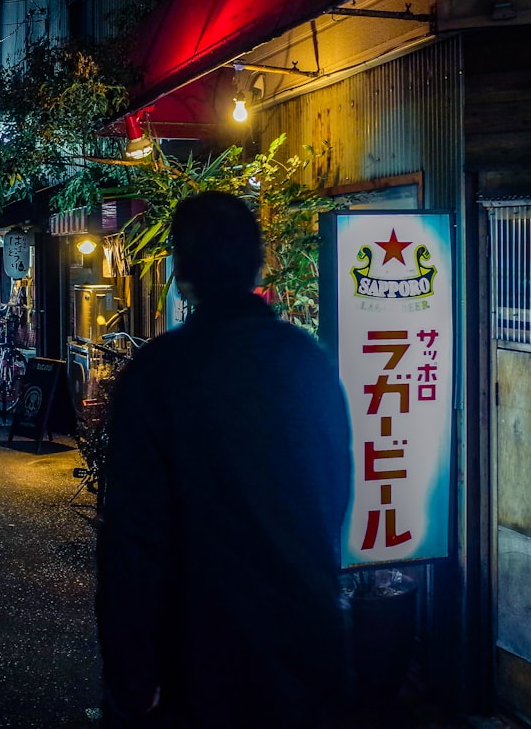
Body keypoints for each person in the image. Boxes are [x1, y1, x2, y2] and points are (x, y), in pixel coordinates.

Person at [96, 190, 352, 728]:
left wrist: (130, 676)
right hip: (306, 638)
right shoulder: (305, 359)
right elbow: (335, 491)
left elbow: (132, 537)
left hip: (201, 654)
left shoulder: (158, 373)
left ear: (182, 271)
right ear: (257, 262)